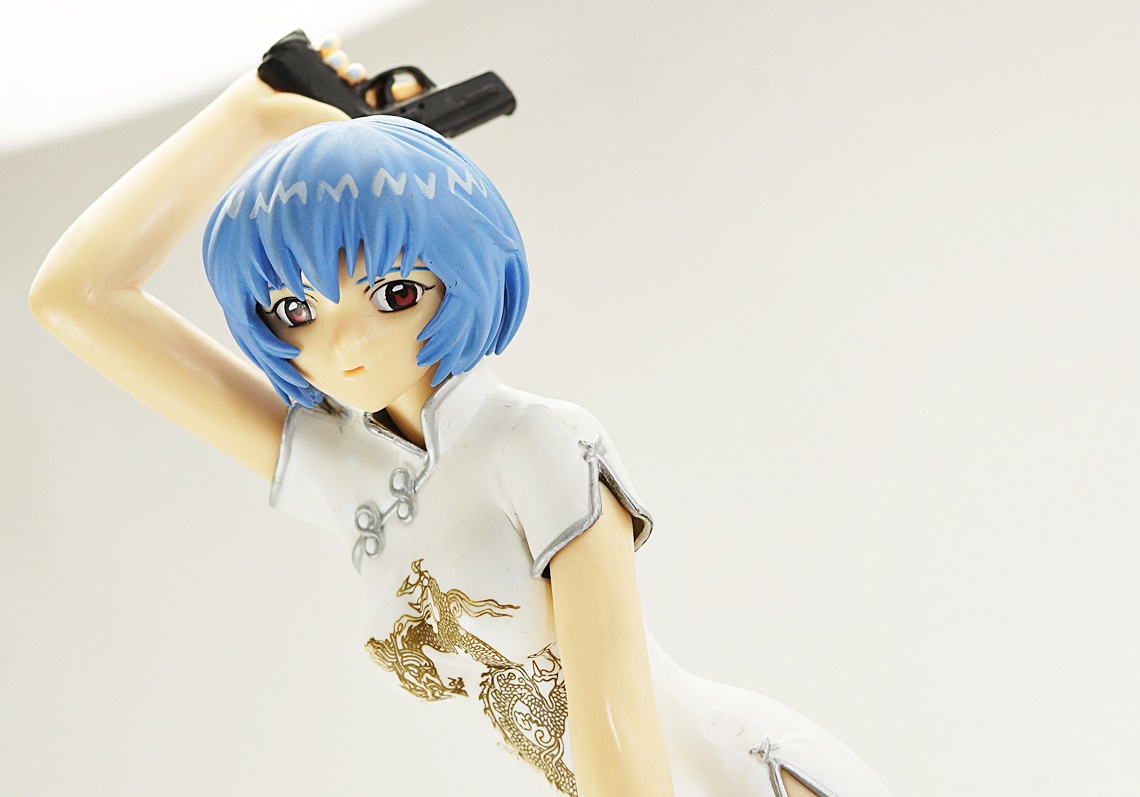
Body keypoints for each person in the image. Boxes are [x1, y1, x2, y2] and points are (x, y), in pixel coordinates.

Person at [29, 44, 892, 797]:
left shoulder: (539, 439)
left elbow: (615, 706)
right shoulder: (339, 461)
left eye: (393, 293)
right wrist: (247, 111)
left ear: (464, 270)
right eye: (297, 309)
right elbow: (75, 296)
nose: (346, 343)